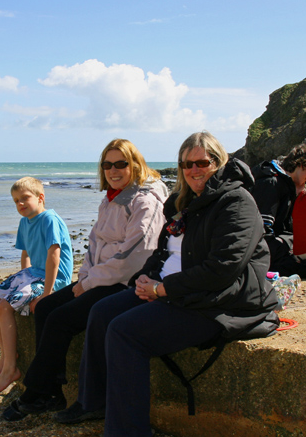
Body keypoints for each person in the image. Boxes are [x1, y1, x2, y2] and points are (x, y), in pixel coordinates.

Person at [54, 131, 280, 436]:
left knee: (125, 332)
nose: (194, 170)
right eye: (187, 164)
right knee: (102, 312)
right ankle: (94, 402)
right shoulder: (182, 202)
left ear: (218, 162)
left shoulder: (235, 202)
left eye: (202, 162)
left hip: (215, 301)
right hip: (171, 289)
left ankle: (129, 431)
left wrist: (162, 289)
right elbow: (163, 251)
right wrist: (145, 278)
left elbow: (222, 269)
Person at [1, 139, 168, 421]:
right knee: (44, 308)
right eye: (107, 165)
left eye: (120, 164)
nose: (113, 170)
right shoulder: (111, 198)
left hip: (125, 282)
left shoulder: (146, 201)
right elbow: (93, 245)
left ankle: (35, 392)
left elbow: (133, 257)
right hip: (99, 278)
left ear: (135, 165)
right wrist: (85, 276)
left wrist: (87, 285)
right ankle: (51, 393)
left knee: (60, 320)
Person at [0, 176, 73, 395]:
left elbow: (54, 255)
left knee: (5, 306)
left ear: (40, 197)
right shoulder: (25, 221)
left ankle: (11, 369)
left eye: (24, 198)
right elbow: (26, 253)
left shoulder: (49, 219)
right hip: (32, 274)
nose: (20, 204)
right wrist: (21, 278)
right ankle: (6, 354)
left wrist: (48, 293)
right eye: (15, 201)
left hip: (53, 278)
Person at [250, 144, 306, 276]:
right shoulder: (271, 182)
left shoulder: (284, 184)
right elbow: (262, 229)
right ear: (301, 165)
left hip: (272, 245)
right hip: (261, 249)